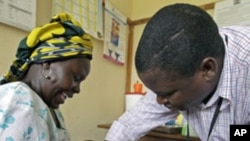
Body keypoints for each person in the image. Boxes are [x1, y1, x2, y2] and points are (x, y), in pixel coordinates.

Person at [105, 3, 250, 141]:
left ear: (207, 69)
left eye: (167, 94)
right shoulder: (173, 79)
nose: (158, 101)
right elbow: (127, 126)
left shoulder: (245, 68)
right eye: (157, 93)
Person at [0, 13, 93, 140]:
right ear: (47, 66)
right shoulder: (21, 102)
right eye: (76, 78)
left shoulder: (45, 104)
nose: (77, 90)